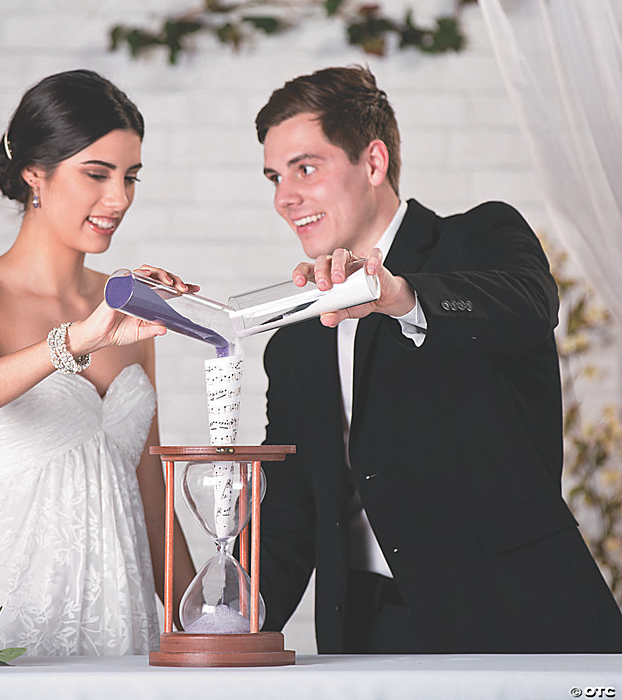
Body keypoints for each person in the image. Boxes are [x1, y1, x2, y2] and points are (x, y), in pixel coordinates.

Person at [254, 65, 622, 653]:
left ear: (373, 163)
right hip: (368, 635)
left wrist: (402, 298)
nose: (284, 197)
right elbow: (291, 523)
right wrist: (215, 636)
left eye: (305, 168)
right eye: (274, 176)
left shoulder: (478, 238)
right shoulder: (296, 341)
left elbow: (529, 306)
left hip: (518, 621)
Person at [0, 70, 195, 657]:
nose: (118, 199)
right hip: (1, 626)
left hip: (121, 627)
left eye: (130, 177)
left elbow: (151, 498)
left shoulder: (128, 309)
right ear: (35, 174)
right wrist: (75, 339)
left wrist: (206, 620)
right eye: (96, 174)